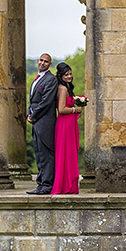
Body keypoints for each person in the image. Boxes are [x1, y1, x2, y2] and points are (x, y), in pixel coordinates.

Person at [26, 53, 58, 195]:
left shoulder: (51, 80)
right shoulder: (37, 79)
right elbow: (33, 100)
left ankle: (47, 185)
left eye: (46, 61)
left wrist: (33, 115)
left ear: (50, 64)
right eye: (41, 60)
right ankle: (41, 183)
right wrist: (29, 113)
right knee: (39, 154)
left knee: (46, 154)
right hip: (37, 121)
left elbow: (46, 102)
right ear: (38, 61)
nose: (43, 63)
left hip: (45, 122)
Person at [50, 62, 83, 195]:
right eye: (66, 75)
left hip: (69, 124)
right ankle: (65, 186)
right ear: (60, 76)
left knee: (69, 154)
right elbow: (62, 109)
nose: (69, 76)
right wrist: (76, 109)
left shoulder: (66, 87)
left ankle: (69, 185)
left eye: (70, 74)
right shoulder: (62, 89)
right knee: (65, 154)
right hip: (65, 125)